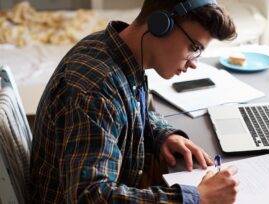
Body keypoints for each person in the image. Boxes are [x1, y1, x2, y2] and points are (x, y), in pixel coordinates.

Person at [30, 0, 238, 203]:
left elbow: (126, 111)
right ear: (160, 25)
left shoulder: (112, 49)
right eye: (193, 46)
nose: (194, 62)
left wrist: (162, 135)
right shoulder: (96, 90)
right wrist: (196, 198)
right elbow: (90, 195)